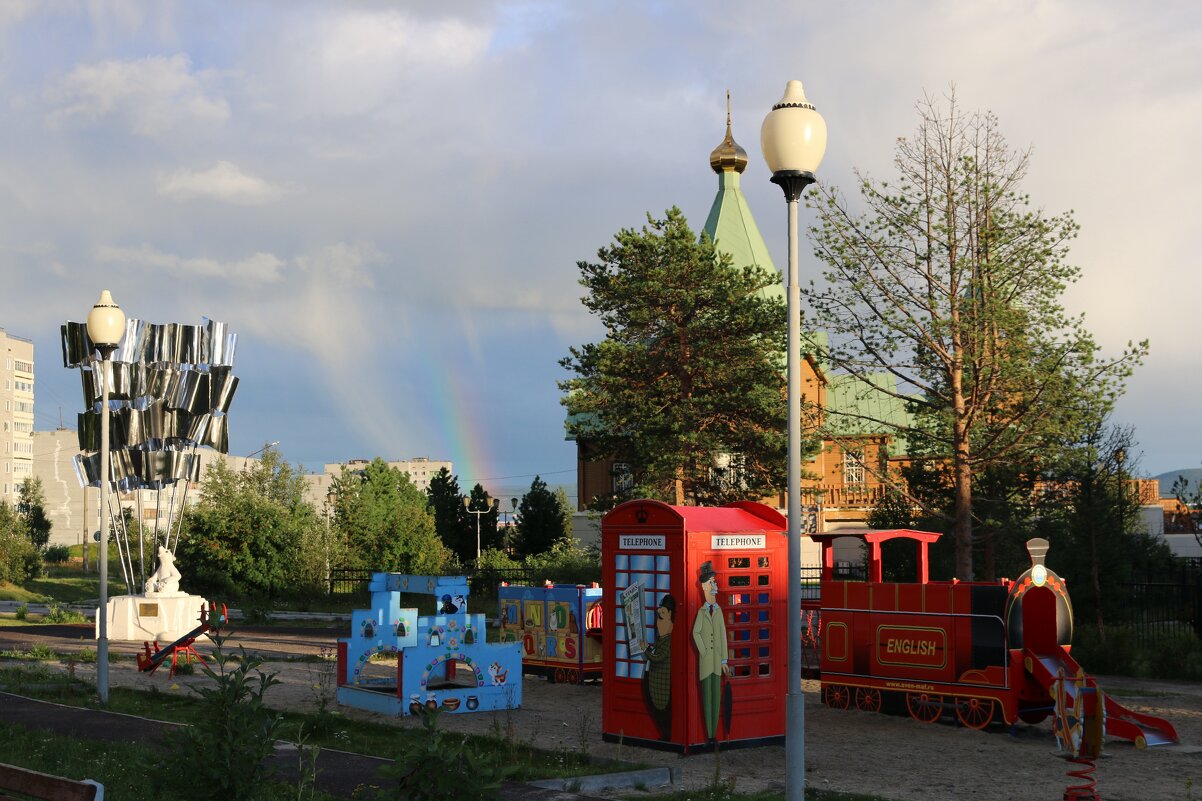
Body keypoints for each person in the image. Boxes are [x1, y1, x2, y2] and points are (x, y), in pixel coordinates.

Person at [691, 561, 729, 741]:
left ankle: (713, 734)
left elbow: (723, 637)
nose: (715, 585)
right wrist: (704, 651)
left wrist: (724, 661)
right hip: (706, 662)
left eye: (715, 582)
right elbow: (695, 632)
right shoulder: (701, 611)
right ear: (705, 586)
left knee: (717, 698)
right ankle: (710, 734)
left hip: (717, 662)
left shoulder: (719, 611)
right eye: (712, 582)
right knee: (707, 698)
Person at [642, 594, 676, 740]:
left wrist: (645, 650)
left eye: (662, 617)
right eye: (658, 617)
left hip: (661, 686)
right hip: (654, 683)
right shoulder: (662, 639)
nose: (658, 623)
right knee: (656, 709)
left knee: (662, 711)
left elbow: (659, 657)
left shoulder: (669, 641)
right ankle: (664, 734)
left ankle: (666, 735)